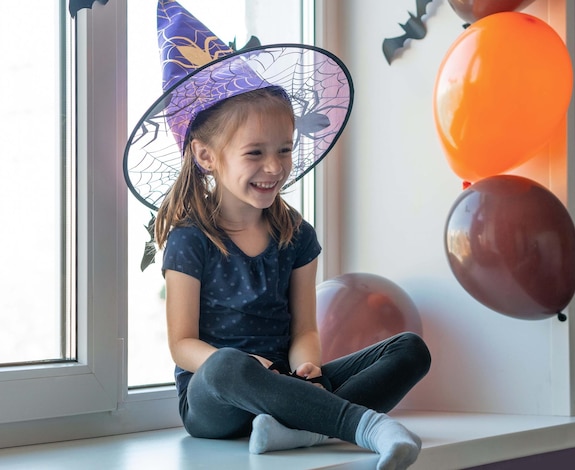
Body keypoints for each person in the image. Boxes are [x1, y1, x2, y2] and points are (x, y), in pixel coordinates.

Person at [123, 2, 431, 469]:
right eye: (255, 153)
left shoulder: (295, 235)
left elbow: (304, 328)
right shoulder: (190, 239)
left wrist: (306, 367)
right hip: (218, 400)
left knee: (410, 350)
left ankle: (297, 427)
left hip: (285, 381)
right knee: (227, 363)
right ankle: (366, 426)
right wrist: (249, 367)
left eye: (284, 149)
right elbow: (182, 345)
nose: (274, 167)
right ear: (207, 157)